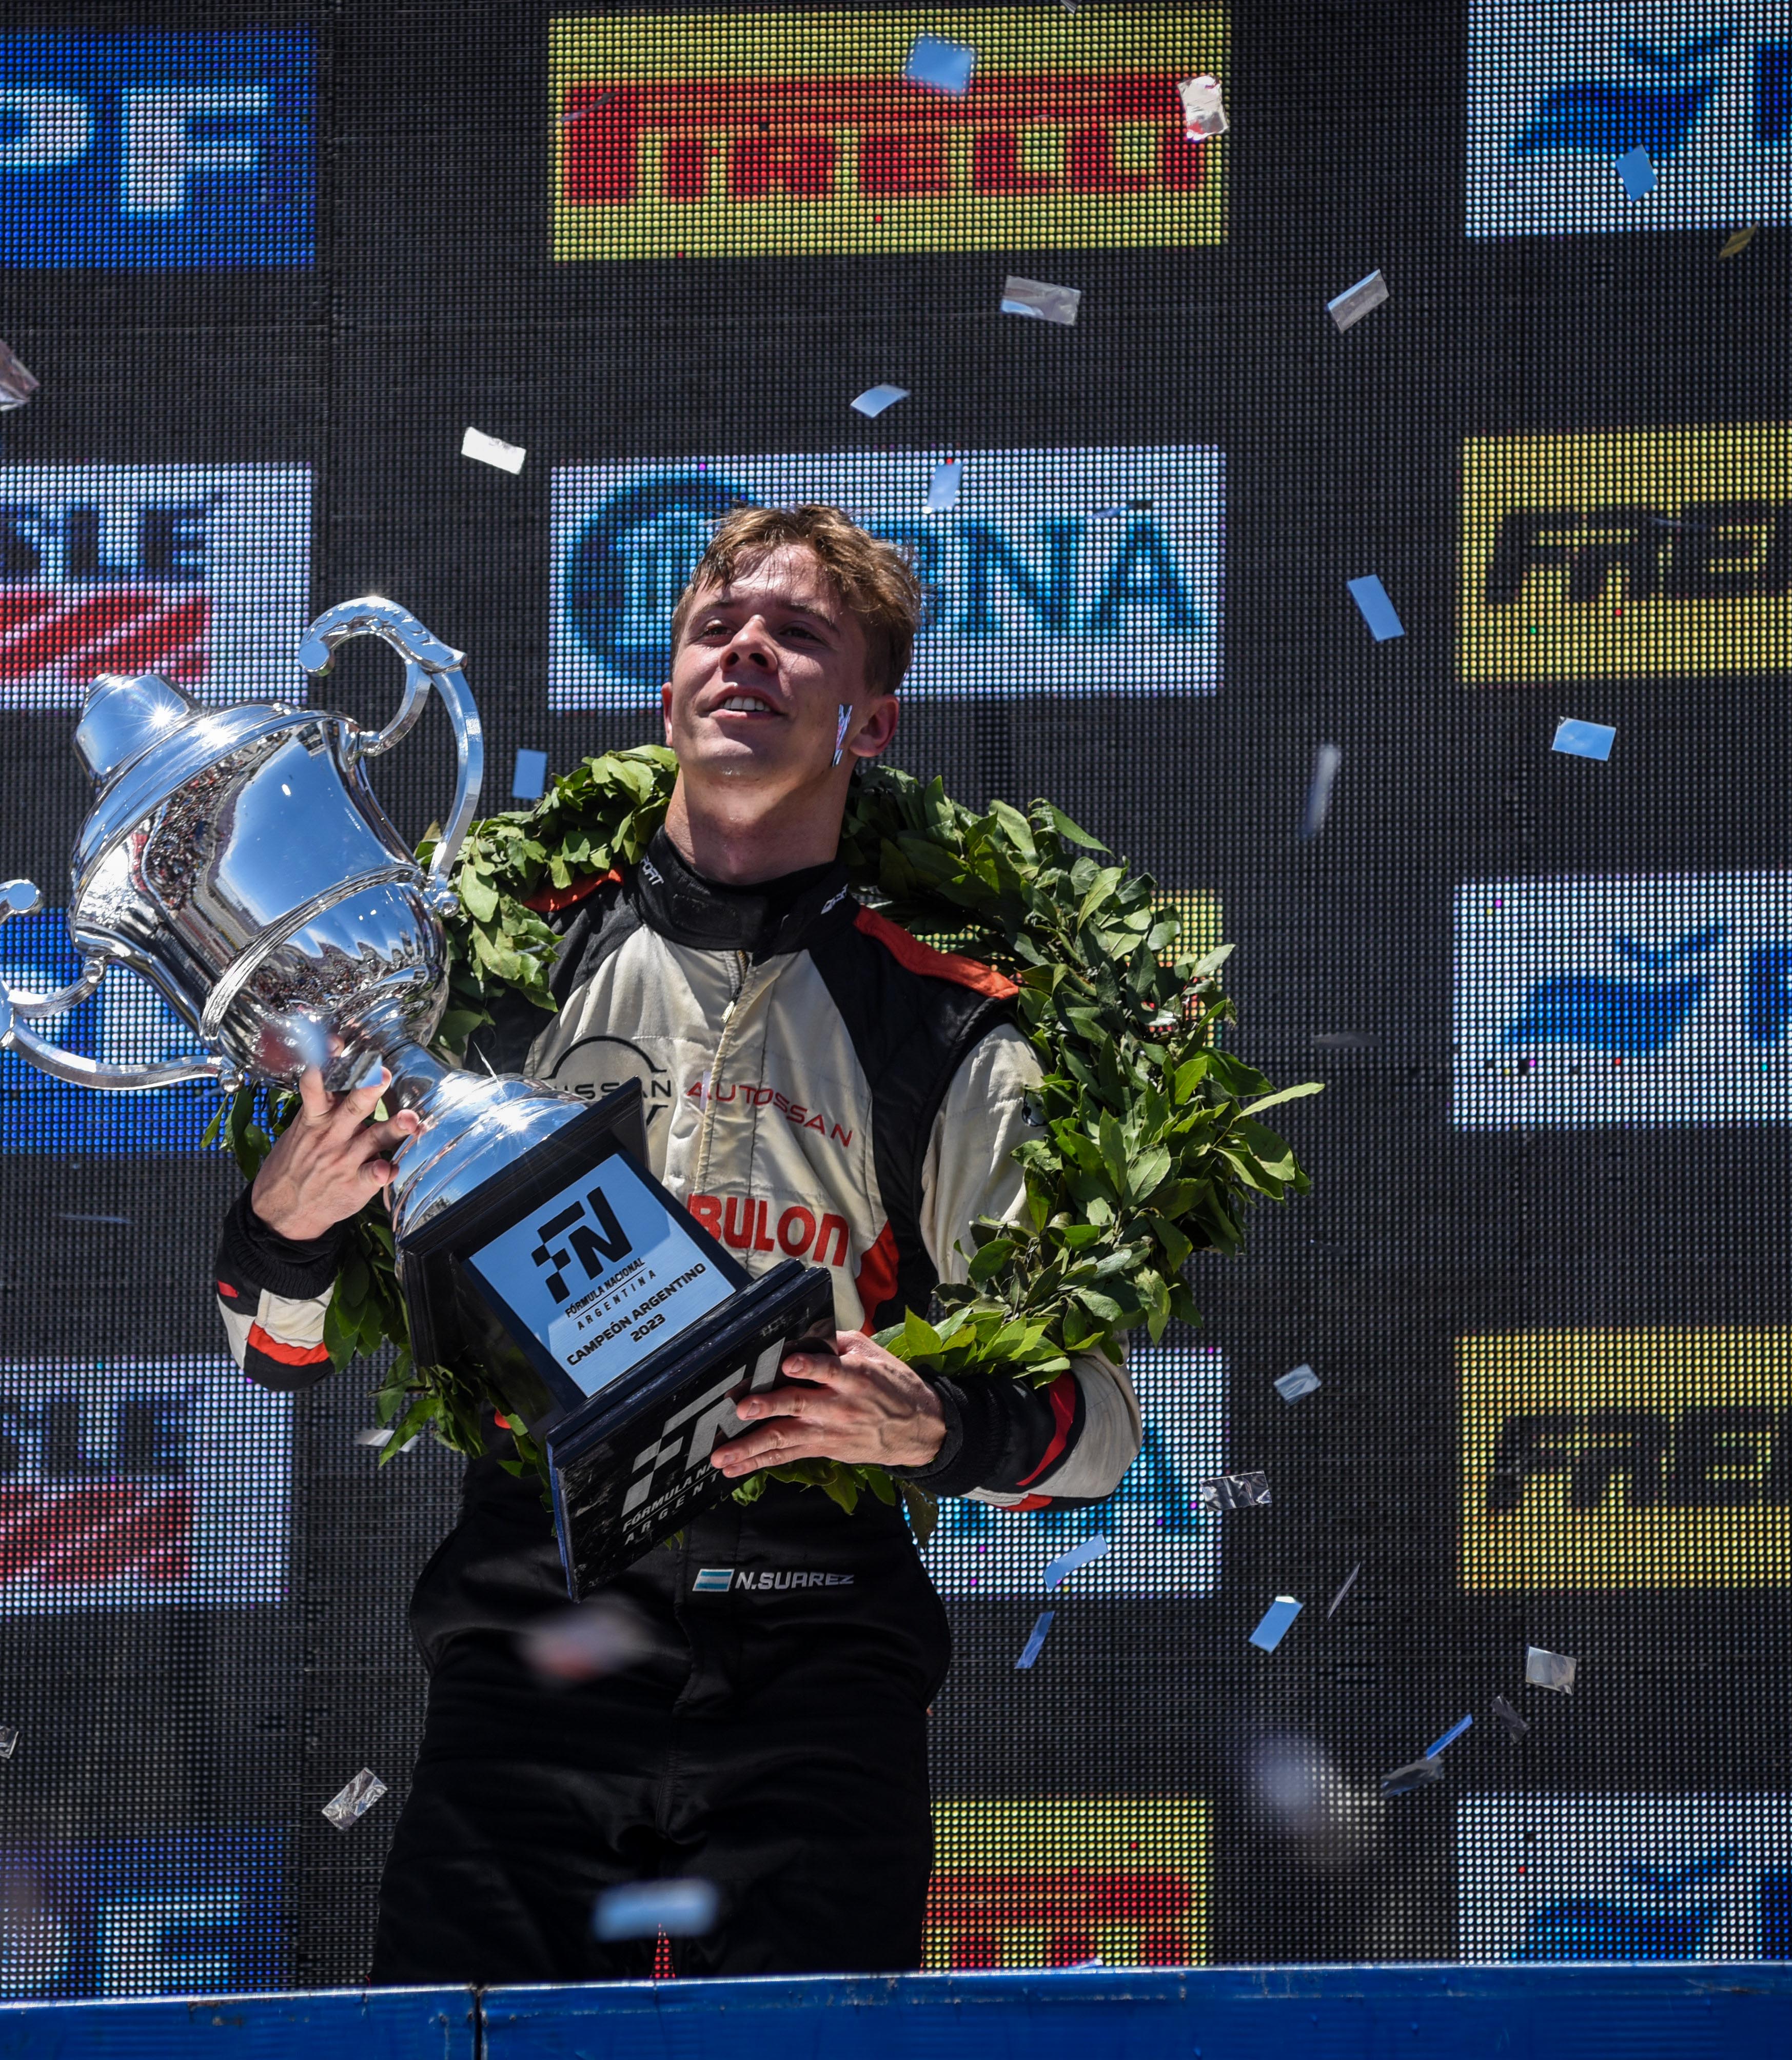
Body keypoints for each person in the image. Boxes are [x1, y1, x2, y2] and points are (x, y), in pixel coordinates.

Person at [210, 504, 1141, 1981]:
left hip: (821, 1637)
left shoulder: (953, 1019)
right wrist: (284, 1224)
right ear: (666, 688)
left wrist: (938, 1422)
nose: (748, 652)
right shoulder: (503, 964)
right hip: (539, 1628)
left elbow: (1096, 1432)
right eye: (717, 626)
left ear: (871, 721)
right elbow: (277, 1352)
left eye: (799, 635)